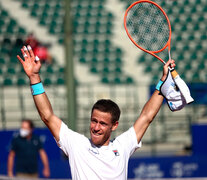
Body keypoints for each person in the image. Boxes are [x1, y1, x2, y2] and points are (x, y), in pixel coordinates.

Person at [17, 45, 175, 180]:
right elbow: (47, 117)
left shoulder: (122, 146)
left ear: (114, 125)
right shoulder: (77, 144)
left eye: (103, 123)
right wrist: (34, 77)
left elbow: (147, 117)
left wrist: (163, 81)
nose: (96, 127)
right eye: (94, 121)